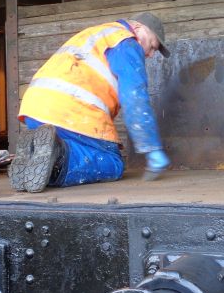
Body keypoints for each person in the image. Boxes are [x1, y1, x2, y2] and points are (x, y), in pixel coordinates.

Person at [9, 11, 171, 192]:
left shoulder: (97, 33)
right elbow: (135, 97)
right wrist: (150, 146)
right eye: (152, 46)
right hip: (70, 113)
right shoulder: (126, 42)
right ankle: (58, 159)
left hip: (35, 111)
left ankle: (35, 154)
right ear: (138, 28)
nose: (149, 54)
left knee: (57, 149)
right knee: (112, 162)